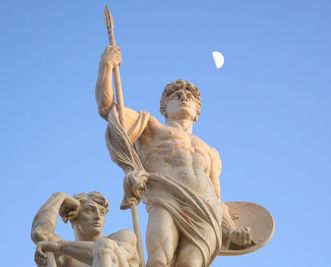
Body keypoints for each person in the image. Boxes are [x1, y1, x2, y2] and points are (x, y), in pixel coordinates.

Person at [96, 46, 253, 267]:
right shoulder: (151, 127)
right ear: (164, 107)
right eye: (176, 96)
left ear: (197, 111)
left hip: (205, 209)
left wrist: (232, 231)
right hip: (166, 197)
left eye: (189, 97)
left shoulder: (211, 152)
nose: (183, 98)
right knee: (160, 259)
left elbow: (218, 199)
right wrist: (106, 64)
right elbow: (106, 108)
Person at [31, 191, 140, 267]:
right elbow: (40, 234)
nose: (98, 217)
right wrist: (59, 196)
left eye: (102, 213)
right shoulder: (67, 257)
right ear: (74, 217)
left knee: (104, 244)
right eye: (90, 211)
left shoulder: (123, 236)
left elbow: (108, 251)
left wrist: (59, 246)